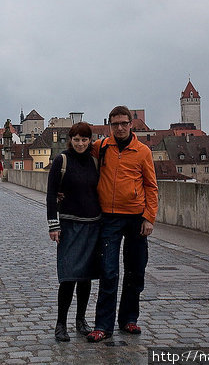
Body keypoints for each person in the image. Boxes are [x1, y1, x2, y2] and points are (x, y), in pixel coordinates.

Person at [86, 106, 158, 342]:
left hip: (136, 216)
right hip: (110, 216)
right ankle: (103, 325)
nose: (119, 128)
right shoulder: (102, 147)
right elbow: (78, 155)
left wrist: (149, 217)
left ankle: (129, 319)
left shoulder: (142, 151)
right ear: (110, 125)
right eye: (115, 124)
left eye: (123, 123)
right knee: (108, 271)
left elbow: (151, 186)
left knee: (135, 270)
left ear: (130, 124)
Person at [46, 122, 102, 342]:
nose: (80, 144)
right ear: (70, 140)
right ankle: (61, 324)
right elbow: (51, 194)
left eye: (84, 140)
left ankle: (81, 320)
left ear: (90, 141)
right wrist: (53, 224)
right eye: (77, 139)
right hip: (69, 225)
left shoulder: (95, 161)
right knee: (68, 277)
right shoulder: (62, 160)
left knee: (85, 277)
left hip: (93, 224)